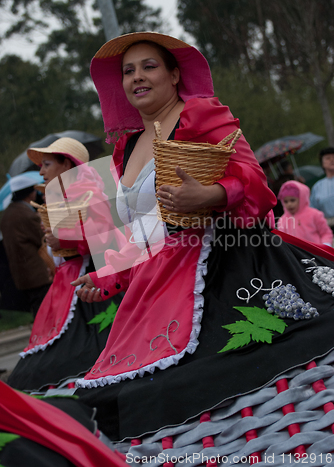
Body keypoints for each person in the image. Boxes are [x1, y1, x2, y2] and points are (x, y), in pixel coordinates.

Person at [2, 32, 334, 464]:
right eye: (128, 71)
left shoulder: (199, 114)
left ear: (175, 74)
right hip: (154, 287)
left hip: (221, 266)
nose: (137, 77)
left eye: (149, 66)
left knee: (231, 378)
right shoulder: (125, 147)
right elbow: (135, 234)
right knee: (135, 397)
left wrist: (212, 195)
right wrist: (107, 276)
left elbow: (253, 181)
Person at [7, 138, 125, 393]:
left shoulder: (90, 192)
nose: (41, 171)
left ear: (66, 164)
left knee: (86, 346)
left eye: (47, 164)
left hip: (89, 278)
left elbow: (104, 235)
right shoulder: (59, 197)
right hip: (66, 279)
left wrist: (63, 237)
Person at [0, 184, 51, 317]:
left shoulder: (8, 213)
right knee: (45, 312)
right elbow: (42, 239)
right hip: (38, 274)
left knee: (38, 310)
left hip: (22, 274)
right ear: (30, 194)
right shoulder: (26, 214)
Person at [277, 180, 333, 246]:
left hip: (316, 253)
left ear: (301, 198)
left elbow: (326, 233)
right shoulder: (282, 220)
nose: (289, 204)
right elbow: (282, 240)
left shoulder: (314, 214)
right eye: (285, 201)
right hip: (296, 255)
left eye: (292, 200)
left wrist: (326, 245)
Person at [310, 146, 334, 231]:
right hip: (329, 229)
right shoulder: (317, 186)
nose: (332, 160)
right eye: (328, 158)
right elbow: (313, 209)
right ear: (322, 164)